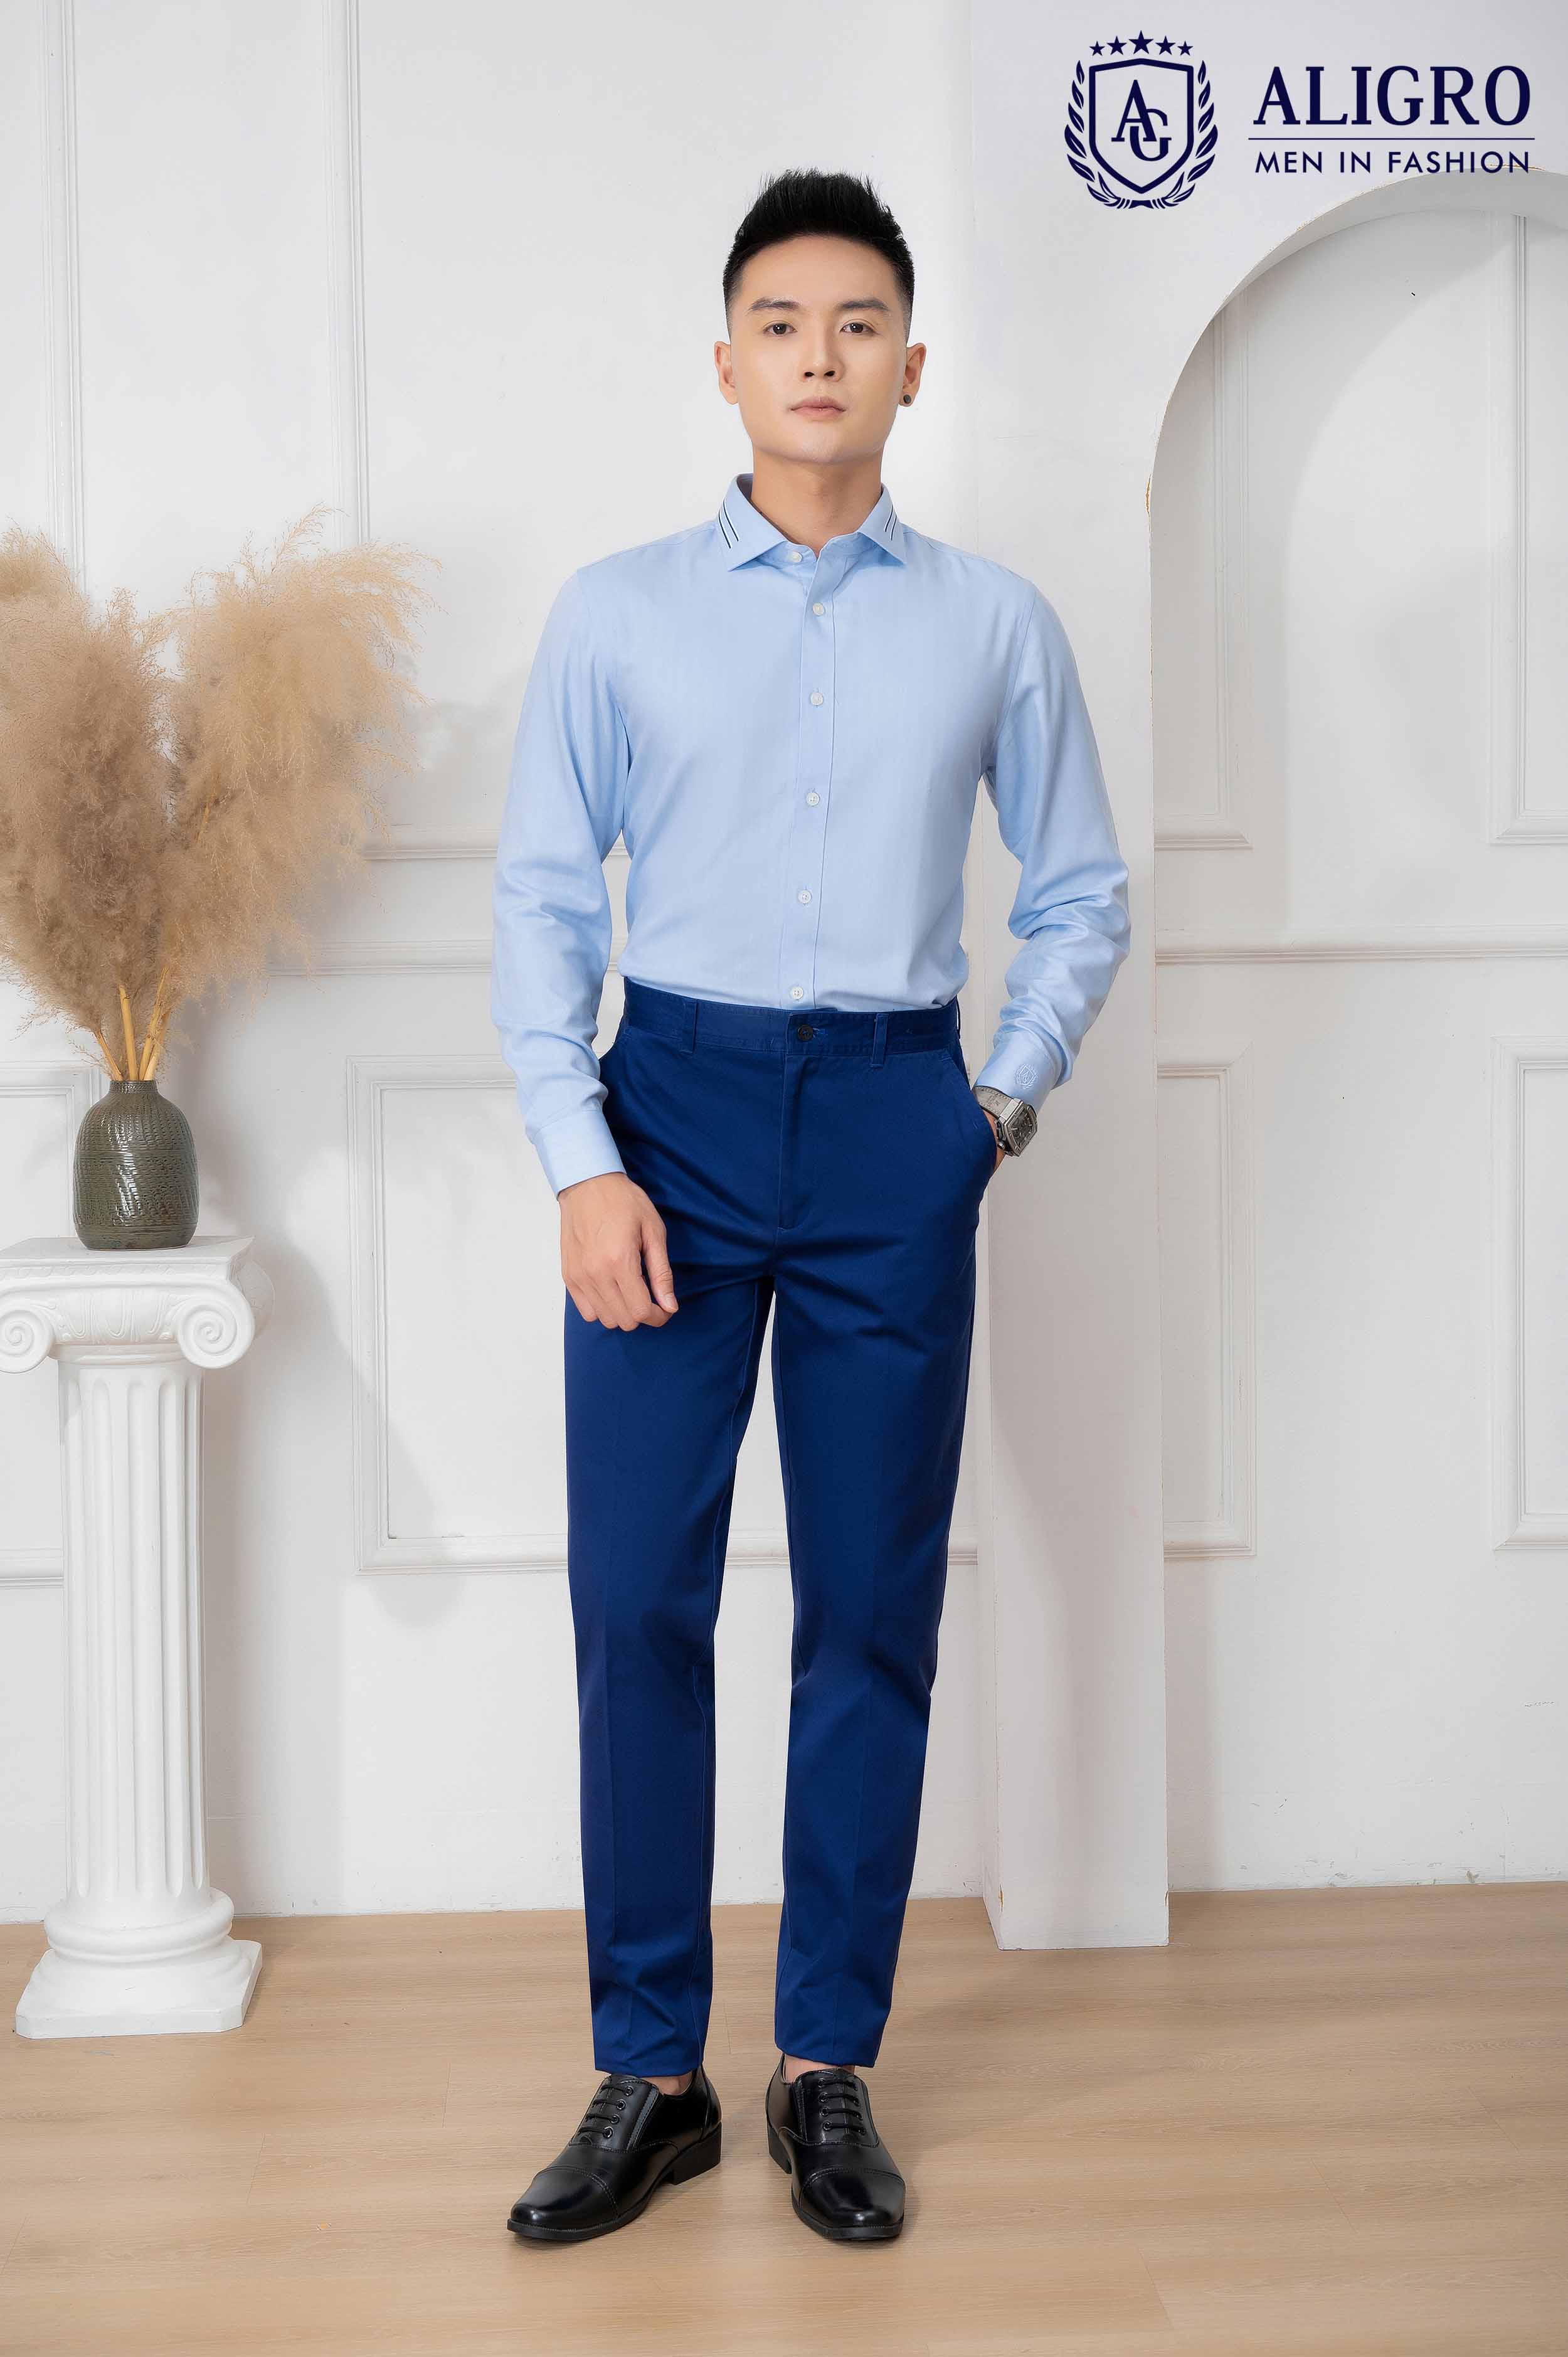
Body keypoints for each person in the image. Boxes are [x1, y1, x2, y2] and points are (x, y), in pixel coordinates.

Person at [490, 166, 1130, 2247]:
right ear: (725, 362)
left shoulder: (992, 622)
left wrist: (989, 1110)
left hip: (889, 1127)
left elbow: (1078, 890)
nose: (819, 356)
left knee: (868, 1607)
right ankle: (650, 2072)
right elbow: (539, 901)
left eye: (858, 323)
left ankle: (823, 2066)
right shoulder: (614, 614)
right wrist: (581, 1160)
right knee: (636, 1604)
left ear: (911, 366)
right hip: (663, 1116)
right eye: (781, 322)